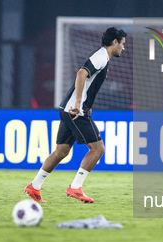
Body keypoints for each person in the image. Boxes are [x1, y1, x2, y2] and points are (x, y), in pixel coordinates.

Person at [25, 27, 127, 203]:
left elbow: (88, 82)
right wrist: (79, 103)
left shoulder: (102, 57)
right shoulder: (101, 56)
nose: (123, 48)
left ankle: (34, 187)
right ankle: (75, 188)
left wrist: (86, 104)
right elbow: (81, 74)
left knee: (61, 151)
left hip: (68, 109)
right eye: (122, 44)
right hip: (75, 111)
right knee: (98, 149)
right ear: (114, 42)